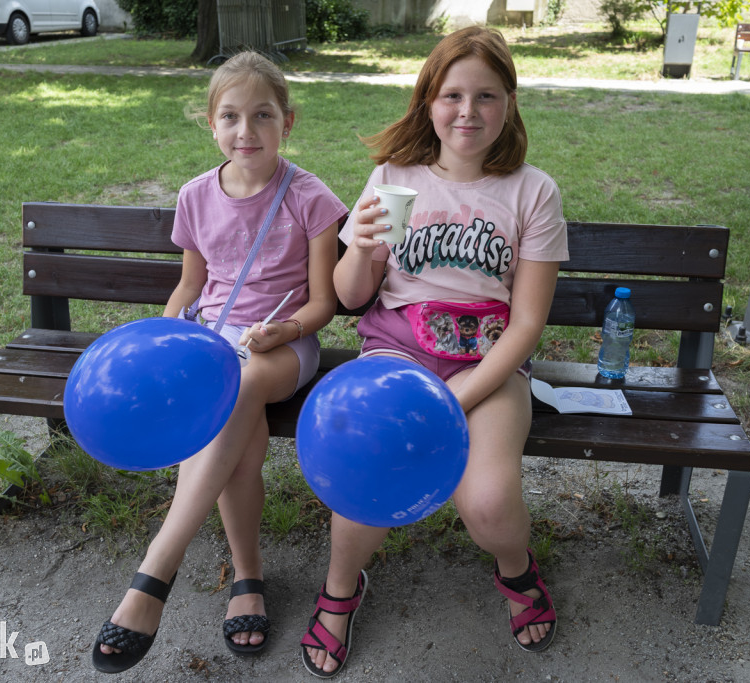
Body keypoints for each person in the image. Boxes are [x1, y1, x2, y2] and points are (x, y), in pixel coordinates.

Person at [300, 27, 567, 678]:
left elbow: (527, 323)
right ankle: (341, 589)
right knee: (366, 469)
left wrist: (455, 400)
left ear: (509, 104)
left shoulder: (533, 192)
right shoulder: (396, 179)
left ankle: (515, 567)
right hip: (397, 349)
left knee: (487, 501)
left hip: (488, 363)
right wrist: (360, 247)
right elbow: (352, 297)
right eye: (452, 95)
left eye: (487, 95)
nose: (468, 111)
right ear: (428, 102)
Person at [91, 50, 347, 674]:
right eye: (230, 116)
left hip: (282, 345)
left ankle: (157, 570)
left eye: (262, 116)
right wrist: (172, 326)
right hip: (215, 344)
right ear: (211, 123)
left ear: (289, 121)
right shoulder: (196, 196)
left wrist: (284, 329)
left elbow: (325, 303)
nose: (246, 131)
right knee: (239, 443)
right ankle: (247, 578)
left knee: (243, 385)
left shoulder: (309, 197)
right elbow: (191, 286)